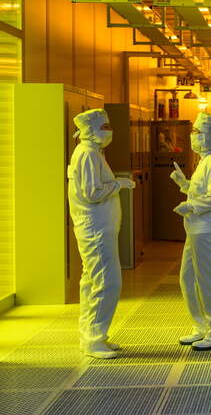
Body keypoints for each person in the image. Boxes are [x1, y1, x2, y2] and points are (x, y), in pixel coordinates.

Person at [68, 108, 136, 359]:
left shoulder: (94, 153)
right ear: (89, 130)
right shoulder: (86, 154)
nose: (109, 132)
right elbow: (91, 193)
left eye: (109, 127)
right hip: (95, 229)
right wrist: (119, 184)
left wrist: (116, 183)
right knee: (107, 282)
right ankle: (94, 340)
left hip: (100, 228)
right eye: (103, 127)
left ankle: (92, 336)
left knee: (93, 282)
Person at [170, 112, 211, 351]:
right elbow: (203, 191)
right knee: (188, 279)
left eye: (199, 132)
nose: (193, 137)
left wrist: (191, 206)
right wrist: (184, 184)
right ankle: (201, 326)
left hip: (209, 230)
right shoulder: (206, 160)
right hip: (196, 229)